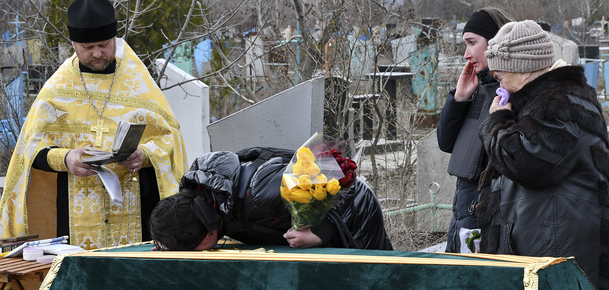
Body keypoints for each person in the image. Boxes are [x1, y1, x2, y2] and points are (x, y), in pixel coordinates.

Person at [0, 0, 187, 250]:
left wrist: (145, 155)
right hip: (72, 222)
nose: (97, 53)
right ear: (74, 44)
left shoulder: (139, 85)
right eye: (88, 47)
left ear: (114, 39)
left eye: (104, 45)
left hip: (135, 215)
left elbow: (170, 139)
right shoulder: (56, 90)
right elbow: (30, 151)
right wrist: (65, 159)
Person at [476, 20, 609, 290]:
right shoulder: (538, 102)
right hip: (546, 252)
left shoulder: (559, 102)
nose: (497, 82)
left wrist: (496, 124)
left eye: (500, 73)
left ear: (525, 67)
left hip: (558, 257)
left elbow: (525, 162)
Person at [149, 147, 393, 251]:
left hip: (356, 215)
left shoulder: (262, 193)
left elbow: (343, 177)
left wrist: (321, 233)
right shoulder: (207, 194)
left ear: (208, 234)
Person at [436, 7, 512, 253]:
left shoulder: (508, 94)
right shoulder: (478, 87)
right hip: (464, 207)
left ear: (493, 43)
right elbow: (446, 143)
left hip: (487, 208)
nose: (466, 54)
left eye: (472, 43)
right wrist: (458, 99)